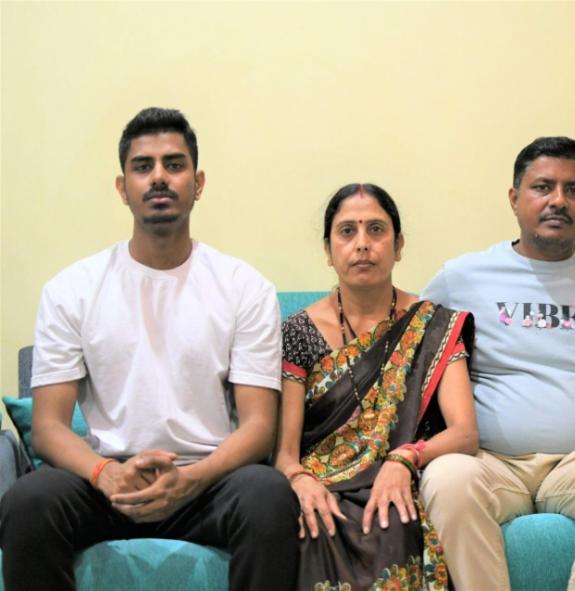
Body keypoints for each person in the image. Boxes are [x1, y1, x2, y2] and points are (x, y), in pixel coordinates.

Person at [0, 108, 299, 590]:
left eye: (174, 164)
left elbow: (259, 426)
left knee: (268, 496)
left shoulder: (245, 288)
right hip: (107, 485)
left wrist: (193, 480)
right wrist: (104, 473)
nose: (159, 177)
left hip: (207, 484)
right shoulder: (72, 289)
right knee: (28, 501)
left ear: (198, 183)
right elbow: (51, 427)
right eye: (143, 166)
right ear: (123, 188)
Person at [419, 137, 575, 590]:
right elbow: (403, 340)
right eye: (543, 187)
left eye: (574, 189)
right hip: (490, 462)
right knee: (446, 479)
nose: (559, 201)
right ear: (514, 198)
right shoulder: (462, 278)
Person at [275, 183, 479, 590]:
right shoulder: (298, 332)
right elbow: (284, 453)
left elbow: (465, 434)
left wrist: (404, 459)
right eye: (347, 231)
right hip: (323, 483)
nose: (362, 244)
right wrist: (300, 481)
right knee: (314, 524)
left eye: (376, 229)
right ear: (328, 250)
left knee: (395, 519)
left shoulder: (432, 324)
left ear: (398, 245)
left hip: (399, 478)